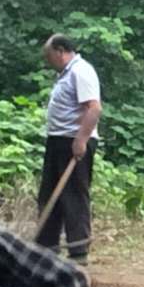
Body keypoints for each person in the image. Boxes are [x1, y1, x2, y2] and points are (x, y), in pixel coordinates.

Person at [37, 35, 102, 265]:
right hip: (57, 140)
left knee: (73, 196)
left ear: (61, 51)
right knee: (49, 194)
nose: (48, 60)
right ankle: (46, 247)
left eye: (49, 55)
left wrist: (81, 140)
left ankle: (78, 251)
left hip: (72, 140)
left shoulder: (81, 71)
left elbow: (93, 108)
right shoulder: (65, 74)